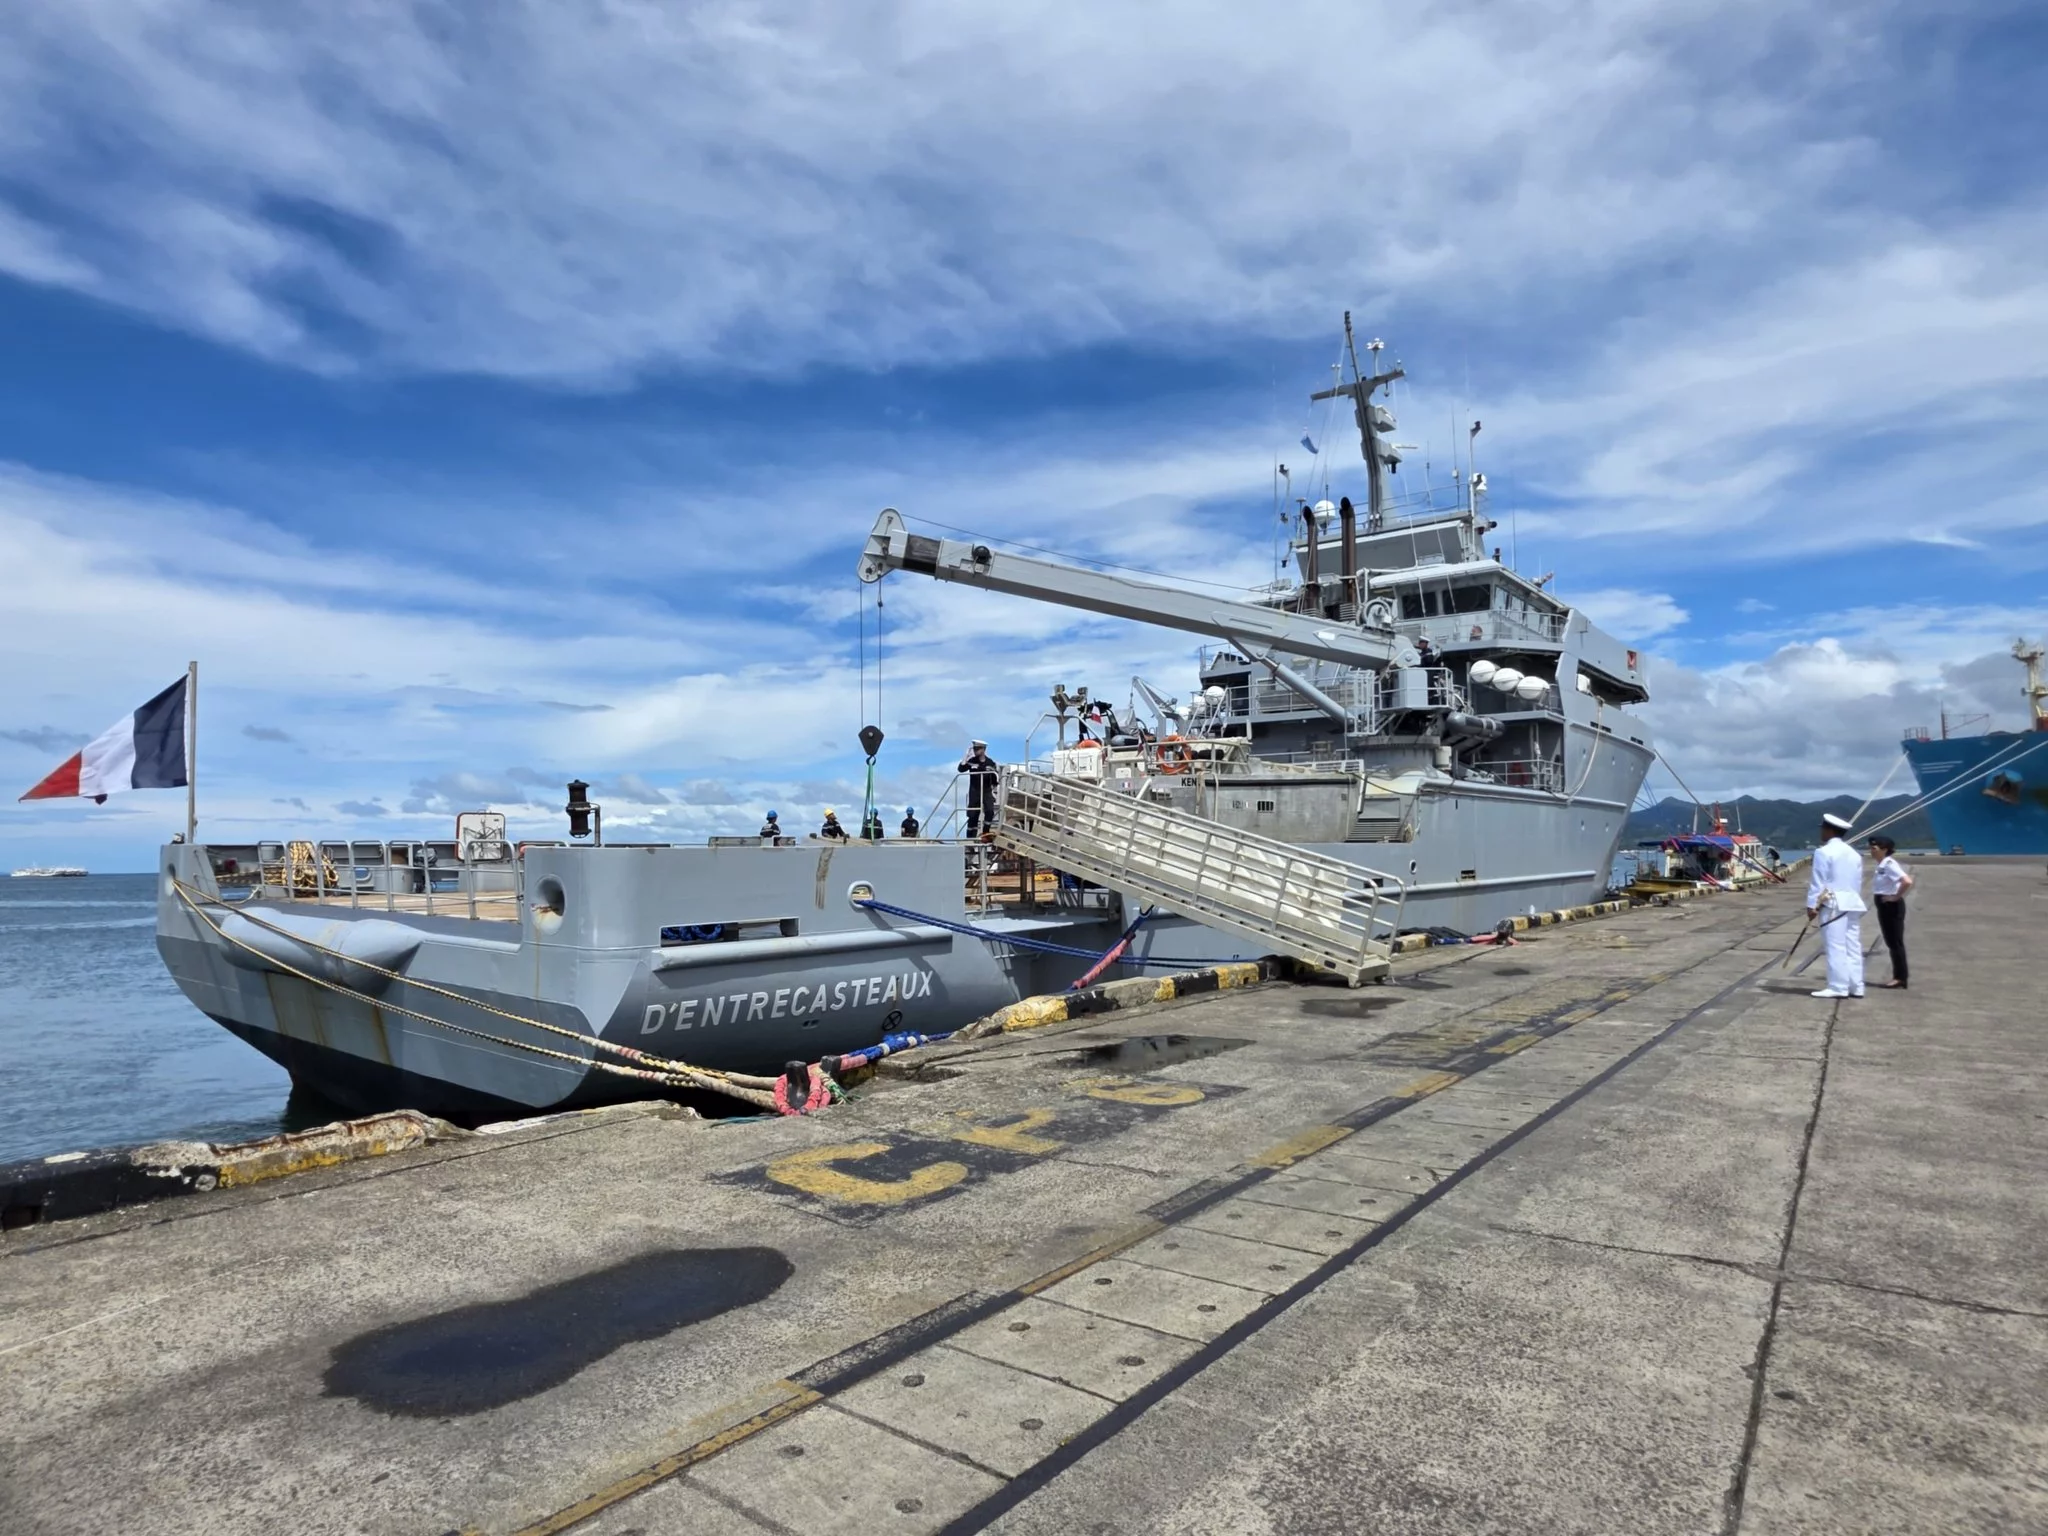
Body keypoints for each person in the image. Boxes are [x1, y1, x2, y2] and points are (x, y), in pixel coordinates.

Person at [1805, 812, 1866, 999]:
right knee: (1852, 946)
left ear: (1829, 830)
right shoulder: (1854, 854)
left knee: (1835, 945)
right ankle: (1857, 986)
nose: (1821, 832)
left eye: (1823, 829)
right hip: (1852, 903)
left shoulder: (1823, 852)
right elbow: (1857, 882)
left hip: (1833, 904)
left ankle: (1838, 986)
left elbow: (1818, 881)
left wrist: (1811, 905)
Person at [1868, 834, 1914, 989]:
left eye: (1874, 848)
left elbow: (1907, 881)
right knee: (1891, 942)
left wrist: (1895, 897)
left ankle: (1900, 977)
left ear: (1884, 849)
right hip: (1884, 905)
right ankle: (1899, 976)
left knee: (1895, 942)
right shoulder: (1882, 865)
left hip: (1891, 907)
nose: (1871, 851)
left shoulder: (1889, 864)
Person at [958, 738, 998, 839]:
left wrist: (994, 791)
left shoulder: (990, 763)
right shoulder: (972, 761)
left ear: (983, 749)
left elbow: (995, 779)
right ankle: (970, 838)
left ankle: (985, 833)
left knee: (989, 811)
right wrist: (966, 755)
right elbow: (961, 769)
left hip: (986, 790)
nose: (975, 751)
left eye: (977, 749)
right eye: (974, 749)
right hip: (974, 791)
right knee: (973, 815)